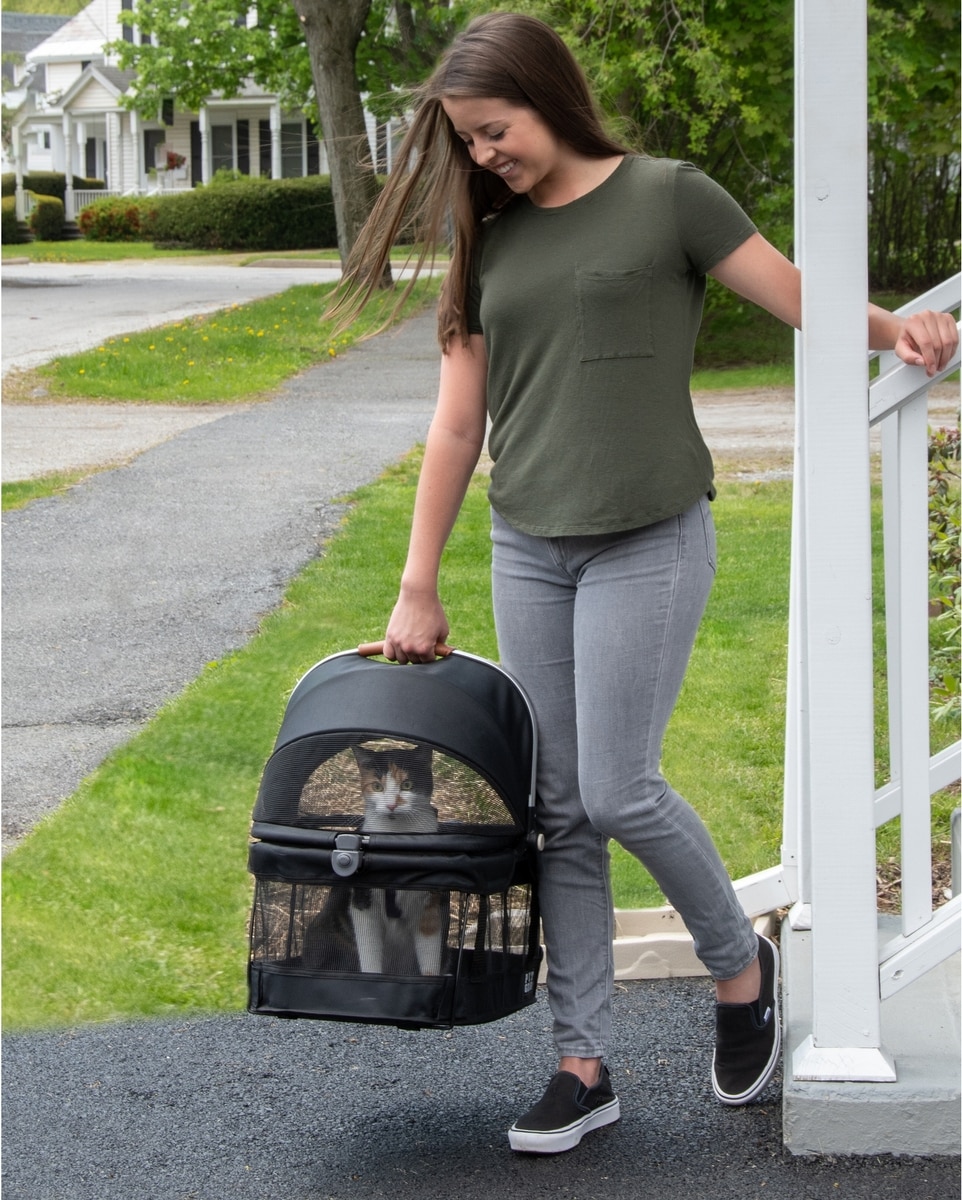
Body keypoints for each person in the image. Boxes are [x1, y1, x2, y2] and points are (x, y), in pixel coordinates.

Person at [334, 12, 959, 1155]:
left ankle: (736, 966)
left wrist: (894, 331)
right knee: (560, 808)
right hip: (528, 544)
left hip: (647, 538)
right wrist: (416, 582)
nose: (481, 155)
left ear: (545, 96)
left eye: (493, 130)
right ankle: (581, 1065)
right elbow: (458, 421)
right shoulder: (489, 240)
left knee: (617, 790)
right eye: (467, 141)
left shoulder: (669, 196)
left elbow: (799, 300)